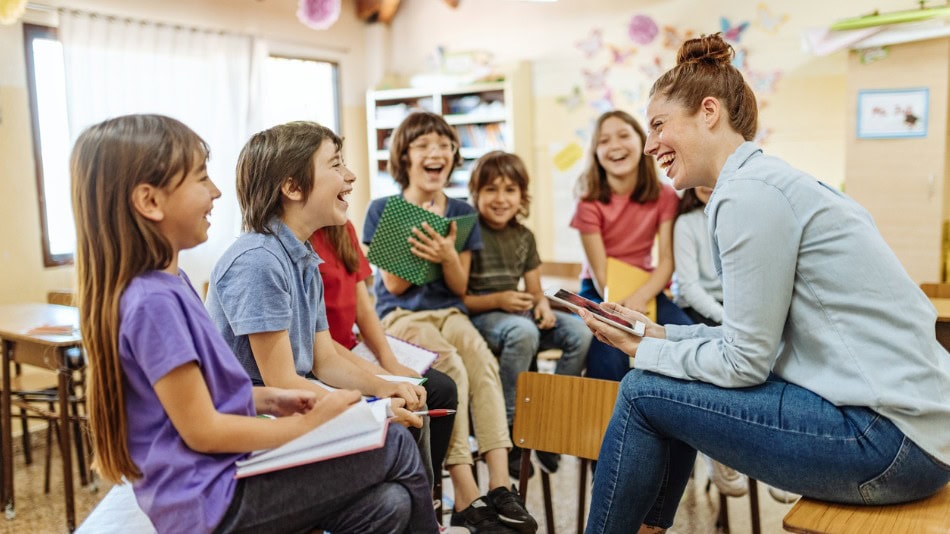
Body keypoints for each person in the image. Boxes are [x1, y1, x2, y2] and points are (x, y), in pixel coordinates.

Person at [581, 34, 950, 534]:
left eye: (659, 125)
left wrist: (644, 353)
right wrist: (656, 335)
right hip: (913, 433)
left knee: (643, 391)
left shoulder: (748, 196)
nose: (649, 146)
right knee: (660, 383)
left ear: (708, 112)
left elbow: (744, 362)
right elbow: (749, 336)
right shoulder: (765, 182)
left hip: (889, 442)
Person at [72, 114, 438, 533]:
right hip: (210, 498)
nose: (216, 191)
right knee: (393, 443)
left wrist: (268, 401)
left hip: (225, 475)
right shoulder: (155, 300)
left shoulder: (170, 283)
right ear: (150, 202)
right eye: (200, 179)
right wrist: (313, 422)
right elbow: (204, 431)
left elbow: (204, 395)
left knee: (386, 505)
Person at [363, 111, 537, 534]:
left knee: (479, 358)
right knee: (452, 366)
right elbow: (394, 286)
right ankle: (464, 490)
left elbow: (459, 286)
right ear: (404, 156)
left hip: (450, 310)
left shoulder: (461, 212)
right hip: (403, 316)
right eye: (424, 146)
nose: (436, 153)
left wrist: (446, 255)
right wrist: (424, 245)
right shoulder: (383, 209)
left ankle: (500, 482)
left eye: (444, 145)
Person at [206, 121, 426, 433]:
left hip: (293, 401)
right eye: (336, 165)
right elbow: (282, 382)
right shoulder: (258, 260)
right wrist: (371, 411)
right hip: (257, 422)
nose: (350, 176)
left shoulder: (302, 255)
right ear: (293, 187)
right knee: (396, 434)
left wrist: (382, 388)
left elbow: (325, 360)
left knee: (410, 414)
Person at [463, 150, 591, 478]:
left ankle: (549, 420)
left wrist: (543, 305)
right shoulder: (468, 231)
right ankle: (507, 430)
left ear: (522, 195)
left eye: (509, 190)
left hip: (517, 313)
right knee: (525, 333)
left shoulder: (524, 236)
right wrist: (500, 300)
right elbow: (460, 299)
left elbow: (535, 290)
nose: (501, 198)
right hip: (483, 317)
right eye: (491, 189)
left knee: (580, 332)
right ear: (475, 194)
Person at [310, 215, 459, 491]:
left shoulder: (343, 227)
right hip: (329, 354)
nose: (348, 176)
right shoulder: (300, 240)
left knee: (441, 387)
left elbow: (364, 309)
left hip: (352, 347)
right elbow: (321, 349)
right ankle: (415, 498)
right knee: (413, 399)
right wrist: (384, 379)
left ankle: (429, 494)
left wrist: (390, 363)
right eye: (336, 168)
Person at [570, 109, 692, 383]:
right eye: (604, 141)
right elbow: (602, 275)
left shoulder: (664, 196)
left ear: (642, 142)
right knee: (608, 349)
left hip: (647, 288)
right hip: (601, 290)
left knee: (682, 337)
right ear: (596, 153)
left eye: (624, 136)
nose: (615, 146)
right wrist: (621, 307)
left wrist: (641, 296)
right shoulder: (588, 202)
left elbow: (667, 261)